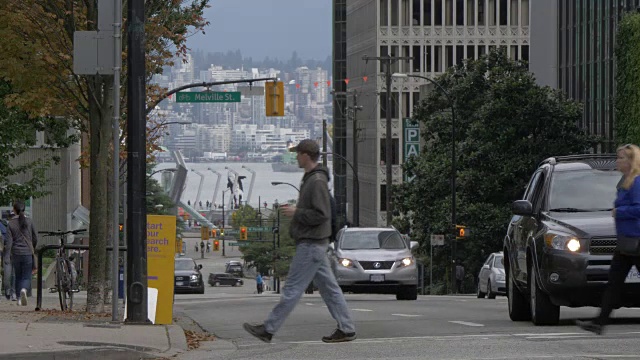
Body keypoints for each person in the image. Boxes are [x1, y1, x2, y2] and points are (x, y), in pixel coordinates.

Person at [243, 139, 356, 343]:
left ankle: (268, 329)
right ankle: (347, 328)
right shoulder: (312, 178)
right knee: (330, 289)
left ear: (306, 155)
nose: (295, 157)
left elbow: (322, 214)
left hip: (312, 243)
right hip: (316, 244)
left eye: (297, 153)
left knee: (292, 288)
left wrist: (297, 212)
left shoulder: (317, 181)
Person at [577, 144, 640, 335]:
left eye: (621, 158)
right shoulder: (625, 181)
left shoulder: (637, 182)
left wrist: (618, 212)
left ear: (631, 161)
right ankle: (599, 322)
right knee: (613, 283)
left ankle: (599, 321)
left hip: (637, 241)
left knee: (614, 283)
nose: (617, 161)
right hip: (625, 243)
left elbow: (639, 208)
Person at [3, 201, 38, 306]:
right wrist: (33, 248)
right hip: (27, 252)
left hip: (16, 254)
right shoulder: (29, 221)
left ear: (14, 210)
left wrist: (7, 256)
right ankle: (24, 290)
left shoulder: (11, 224)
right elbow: (35, 237)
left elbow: (9, 242)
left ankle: (18, 298)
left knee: (18, 276)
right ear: (24, 209)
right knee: (26, 276)